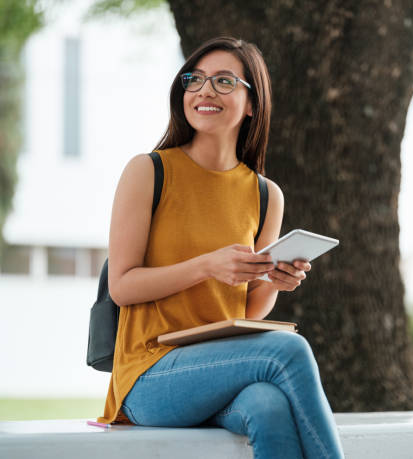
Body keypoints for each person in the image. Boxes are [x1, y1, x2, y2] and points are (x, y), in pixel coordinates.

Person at [95, 36, 345, 459]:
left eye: (225, 81)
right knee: (290, 348)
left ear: (252, 104)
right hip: (149, 373)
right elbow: (122, 286)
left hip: (221, 370)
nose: (205, 90)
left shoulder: (267, 195)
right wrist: (207, 265)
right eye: (196, 79)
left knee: (267, 405)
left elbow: (246, 312)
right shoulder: (149, 171)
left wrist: (273, 281)